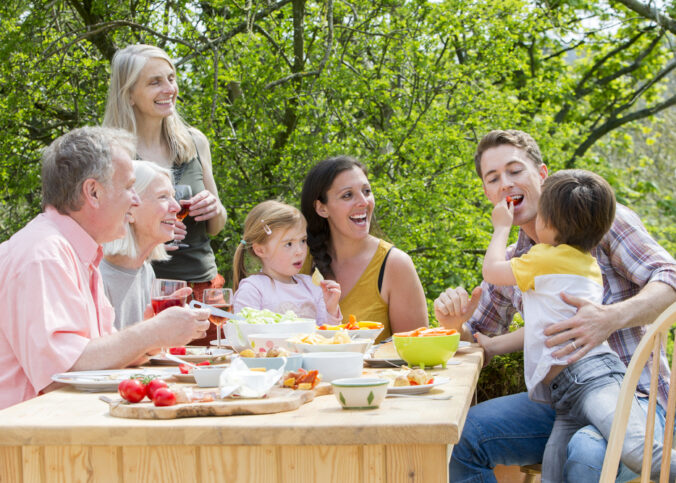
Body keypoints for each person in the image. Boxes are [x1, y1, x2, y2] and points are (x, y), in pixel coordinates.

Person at [434, 130, 676, 482]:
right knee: (462, 439)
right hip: (560, 401)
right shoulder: (516, 263)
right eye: (493, 178)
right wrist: (455, 324)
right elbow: (481, 343)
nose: (505, 184)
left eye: (515, 171)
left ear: (542, 174)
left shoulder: (598, 221)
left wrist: (610, 318)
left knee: (586, 453)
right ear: (487, 193)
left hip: (633, 395)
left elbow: (671, 277)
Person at [0, 126, 210, 410]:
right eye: (127, 187)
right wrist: (151, 333)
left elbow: (96, 356)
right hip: (28, 443)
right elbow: (61, 373)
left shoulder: (77, 252)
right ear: (93, 192)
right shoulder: (44, 255)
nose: (134, 200)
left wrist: (148, 336)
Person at [103, 43, 227, 344]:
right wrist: (152, 235)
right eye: (155, 82)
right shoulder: (110, 153)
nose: (168, 88)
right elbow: (103, 233)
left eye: (171, 78)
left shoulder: (195, 142)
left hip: (204, 286)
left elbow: (217, 225)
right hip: (148, 291)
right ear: (129, 93)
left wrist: (213, 208)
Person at [300, 155, 428, 340]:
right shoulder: (299, 259)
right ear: (321, 208)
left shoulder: (395, 265)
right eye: (347, 195)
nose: (364, 202)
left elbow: (416, 351)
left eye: (367, 191)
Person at [232, 200, 342, 325]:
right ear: (260, 250)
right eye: (288, 244)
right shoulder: (253, 290)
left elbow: (328, 337)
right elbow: (244, 336)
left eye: (303, 240)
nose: (300, 251)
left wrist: (331, 309)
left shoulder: (312, 286)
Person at [101, 161, 181, 330]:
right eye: (163, 197)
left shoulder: (145, 272)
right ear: (129, 209)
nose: (177, 206)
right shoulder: (97, 276)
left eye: (173, 196)